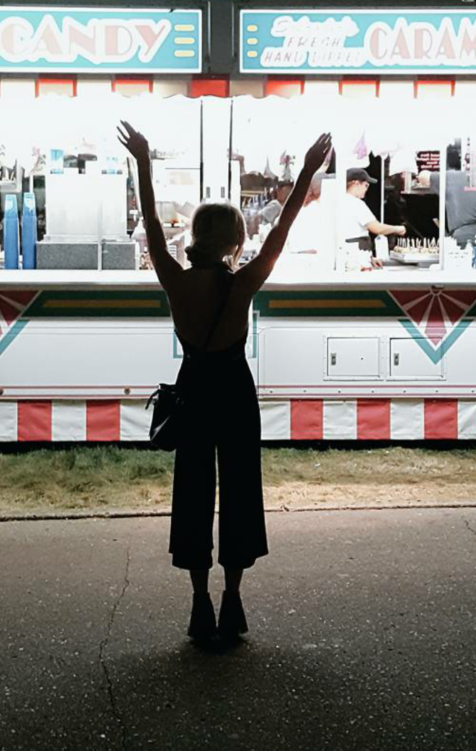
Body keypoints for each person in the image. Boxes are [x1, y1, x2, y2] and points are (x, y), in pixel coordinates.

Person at [118, 120, 332, 645]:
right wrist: (305, 170)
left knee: (192, 492)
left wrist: (143, 162)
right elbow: (281, 231)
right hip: (235, 390)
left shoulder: (174, 277)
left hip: (193, 387)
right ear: (237, 240)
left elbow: (147, 221)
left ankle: (198, 603)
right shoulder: (244, 284)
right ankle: (233, 599)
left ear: (193, 238)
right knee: (239, 491)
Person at [416, 144, 476, 247]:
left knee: (462, 263)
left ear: (464, 162)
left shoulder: (450, 178)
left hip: (465, 239)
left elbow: (423, 176)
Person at [341, 167, 407, 245]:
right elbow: (377, 228)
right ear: (356, 183)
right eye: (366, 185)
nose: (366, 189)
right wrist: (398, 229)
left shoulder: (338, 201)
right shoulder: (356, 204)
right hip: (355, 252)